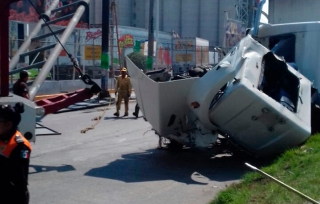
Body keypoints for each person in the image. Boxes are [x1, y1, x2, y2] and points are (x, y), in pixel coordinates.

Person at [0, 103, 32, 204]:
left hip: (11, 196)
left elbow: (20, 181)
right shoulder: (2, 136)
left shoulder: (20, 147)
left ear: (8, 125)